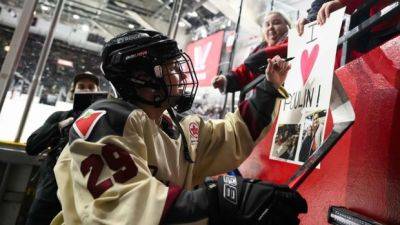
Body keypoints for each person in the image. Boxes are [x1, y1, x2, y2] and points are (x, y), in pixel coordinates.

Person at [50, 29, 307, 225]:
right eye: (173, 68)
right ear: (142, 77)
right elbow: (129, 208)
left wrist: (268, 88)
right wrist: (225, 199)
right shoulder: (106, 119)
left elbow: (232, 135)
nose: (183, 76)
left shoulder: (175, 125)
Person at [25, 72, 100, 225]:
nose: (86, 90)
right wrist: (59, 127)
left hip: (84, 198)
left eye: (91, 87)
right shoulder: (59, 117)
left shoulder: (104, 120)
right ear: (73, 92)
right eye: (81, 87)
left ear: (99, 93)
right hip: (50, 194)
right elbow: (32, 146)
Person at [212, 11, 290, 93]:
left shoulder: (292, 41)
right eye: (267, 25)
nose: (270, 27)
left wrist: (261, 56)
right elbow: (245, 70)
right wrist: (225, 79)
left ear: (287, 26)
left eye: (276, 23)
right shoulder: (260, 48)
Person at [296, 0, 400, 51]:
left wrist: (345, 2)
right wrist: (311, 22)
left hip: (390, 25)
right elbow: (319, 4)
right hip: (362, 39)